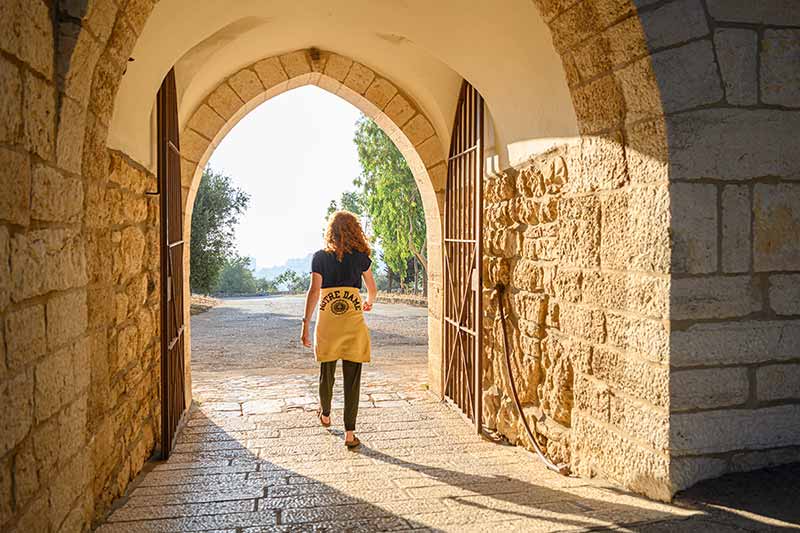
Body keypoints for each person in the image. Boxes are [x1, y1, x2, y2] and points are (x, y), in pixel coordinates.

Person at [301, 210, 377, 448]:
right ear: (355, 230)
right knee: (353, 380)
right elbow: (372, 288)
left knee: (327, 370)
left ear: (330, 231)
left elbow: (314, 292)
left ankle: (325, 414)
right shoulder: (361, 257)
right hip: (353, 322)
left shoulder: (320, 257)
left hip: (328, 322)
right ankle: (350, 434)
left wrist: (305, 324)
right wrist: (369, 303)